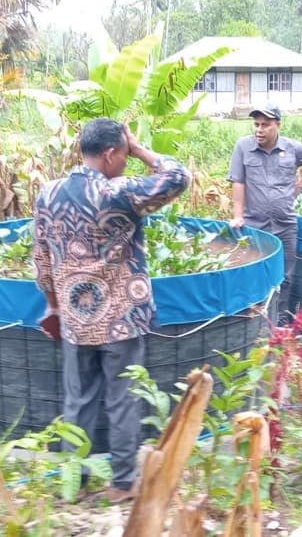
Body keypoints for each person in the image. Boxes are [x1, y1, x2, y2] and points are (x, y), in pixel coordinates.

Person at [32, 118, 189, 501]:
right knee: (122, 400)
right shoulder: (118, 193)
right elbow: (178, 176)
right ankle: (121, 484)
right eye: (122, 154)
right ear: (109, 154)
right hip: (121, 319)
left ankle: (77, 482)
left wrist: (53, 306)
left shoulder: (47, 194)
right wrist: (140, 149)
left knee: (79, 400)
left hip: (74, 318)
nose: (124, 161)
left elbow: (41, 259)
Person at [227, 104, 302, 323]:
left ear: (277, 125)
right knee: (252, 272)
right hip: (254, 224)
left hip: (285, 224)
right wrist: (238, 216)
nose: (259, 130)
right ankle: (252, 322)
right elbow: (238, 182)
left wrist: (300, 185)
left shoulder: (291, 148)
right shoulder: (243, 147)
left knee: (285, 275)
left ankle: (279, 322)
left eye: (265, 125)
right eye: (256, 125)